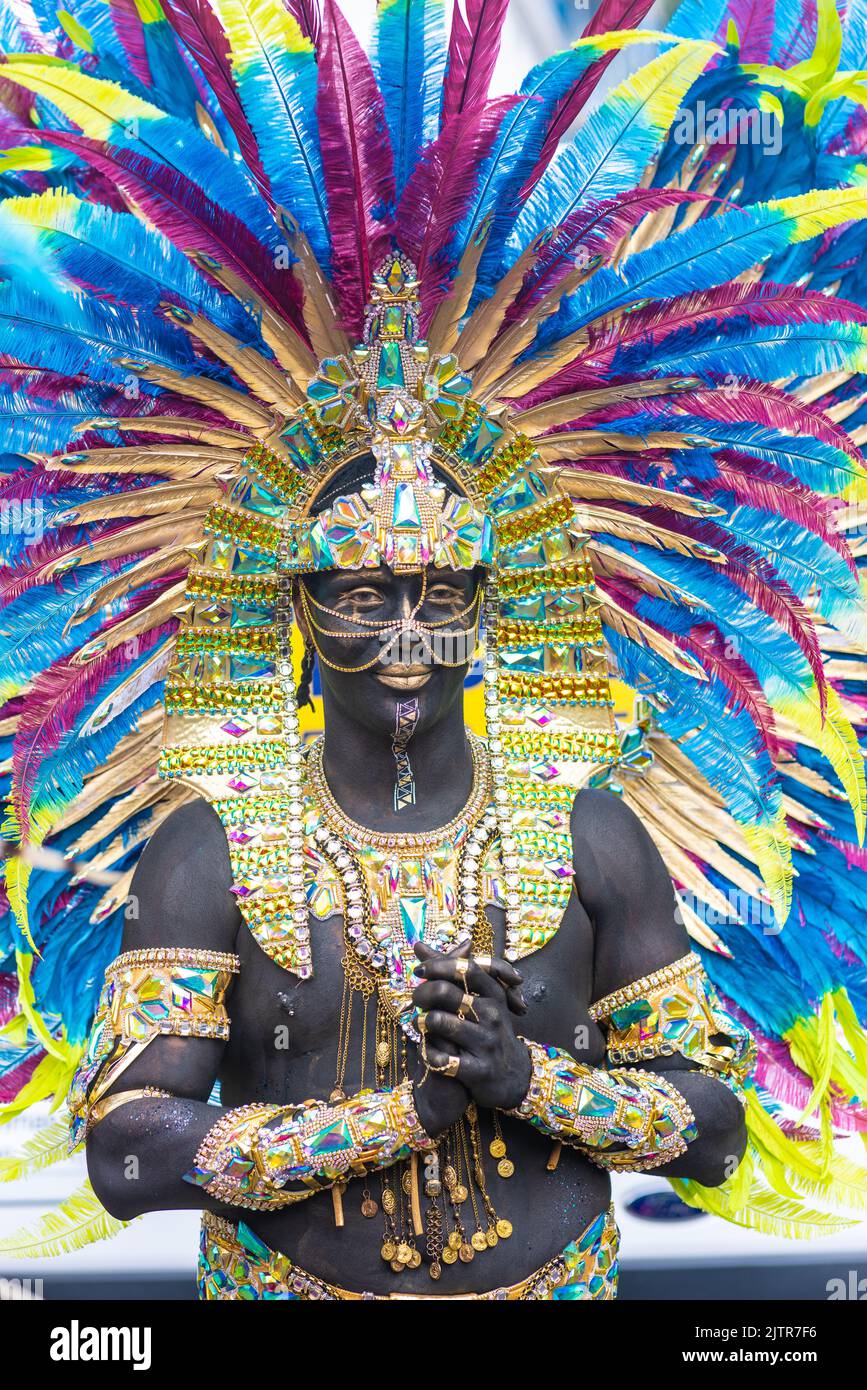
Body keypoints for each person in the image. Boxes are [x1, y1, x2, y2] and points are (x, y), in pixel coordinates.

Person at [2, 0, 866, 1299]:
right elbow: (125, 1149)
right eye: (361, 593)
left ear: (492, 598)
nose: (406, 634)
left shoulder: (592, 832)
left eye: (439, 590)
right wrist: (389, 1119)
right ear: (288, 599)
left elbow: (715, 1126)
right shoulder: (213, 839)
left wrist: (533, 1085)